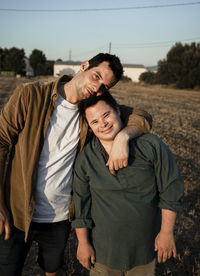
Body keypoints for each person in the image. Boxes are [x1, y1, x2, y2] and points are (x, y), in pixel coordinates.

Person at [0, 53, 152, 276]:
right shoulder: (30, 95)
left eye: (104, 87)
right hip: (17, 213)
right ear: (83, 66)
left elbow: (143, 116)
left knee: (52, 270)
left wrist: (123, 137)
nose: (97, 88)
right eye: (96, 76)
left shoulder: (90, 112)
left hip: (59, 218)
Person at [72, 92, 184, 276]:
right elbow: (81, 204)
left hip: (145, 249)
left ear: (118, 111)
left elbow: (170, 189)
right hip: (103, 252)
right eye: (95, 122)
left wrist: (166, 232)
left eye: (106, 115)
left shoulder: (151, 145)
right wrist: (83, 243)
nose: (103, 124)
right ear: (90, 127)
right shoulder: (86, 159)